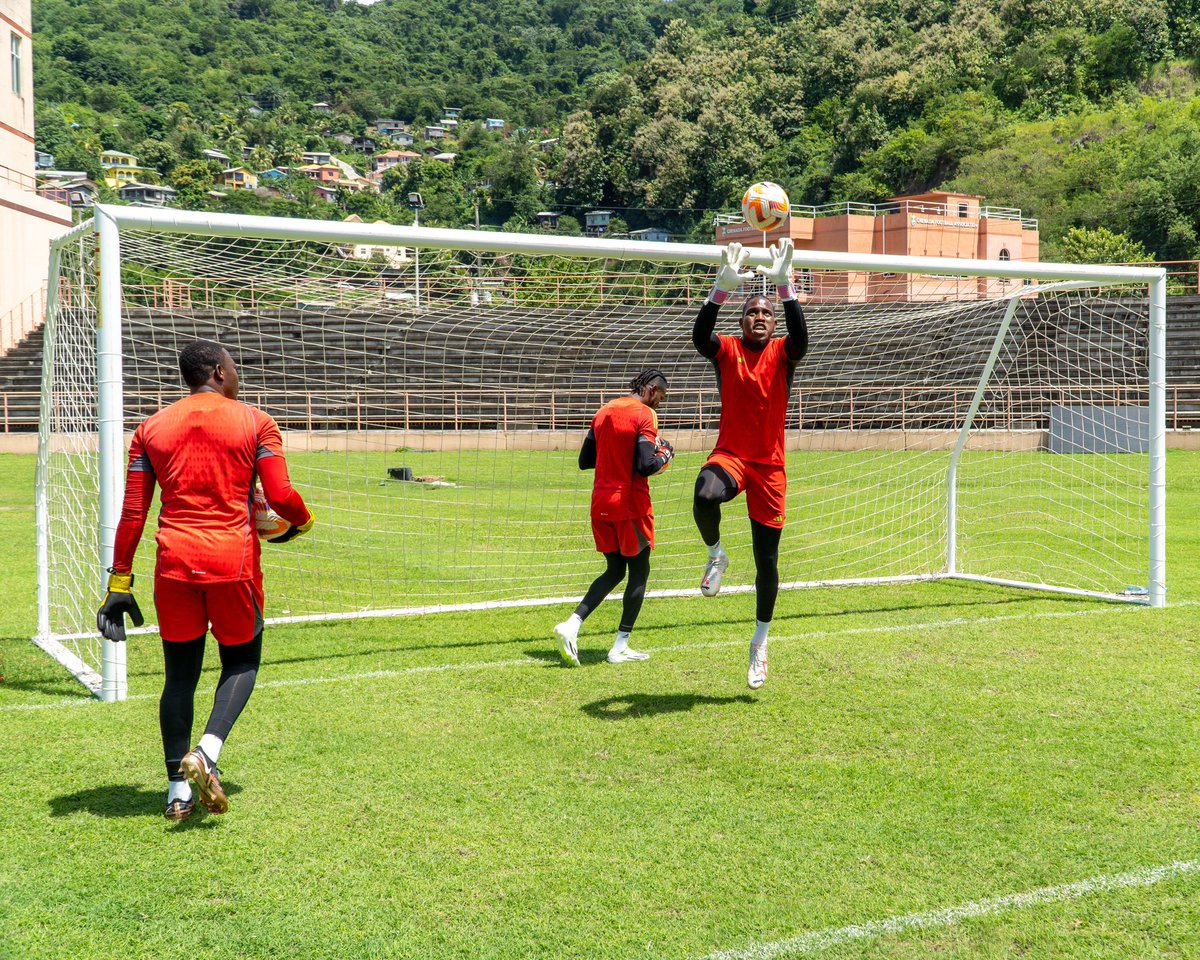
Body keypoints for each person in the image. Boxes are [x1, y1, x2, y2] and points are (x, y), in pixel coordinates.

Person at [96, 340, 314, 821]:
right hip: (230, 564)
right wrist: (302, 520)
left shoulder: (150, 428)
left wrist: (119, 584)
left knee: (179, 677)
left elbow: (133, 513)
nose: (237, 375)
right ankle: (207, 753)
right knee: (241, 663)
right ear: (218, 371)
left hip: (173, 567)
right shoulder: (256, 421)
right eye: (234, 368)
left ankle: (177, 791)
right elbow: (280, 495)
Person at [692, 239, 808, 689]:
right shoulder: (728, 351)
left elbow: (801, 338)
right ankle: (715, 555)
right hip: (732, 456)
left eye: (766, 313)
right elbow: (700, 338)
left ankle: (760, 642)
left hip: (770, 468)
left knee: (767, 561)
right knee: (704, 494)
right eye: (751, 312)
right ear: (741, 321)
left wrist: (785, 287)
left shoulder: (783, 352)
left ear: (772, 322)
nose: (759, 317)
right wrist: (718, 292)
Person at [554, 369, 674, 666]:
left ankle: (572, 625)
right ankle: (620, 646)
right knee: (639, 573)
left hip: (601, 504)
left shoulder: (603, 411)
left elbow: (585, 461)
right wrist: (666, 454)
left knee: (615, 570)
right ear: (650, 390)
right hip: (630, 506)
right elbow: (646, 465)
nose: (661, 402)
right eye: (662, 396)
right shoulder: (644, 414)